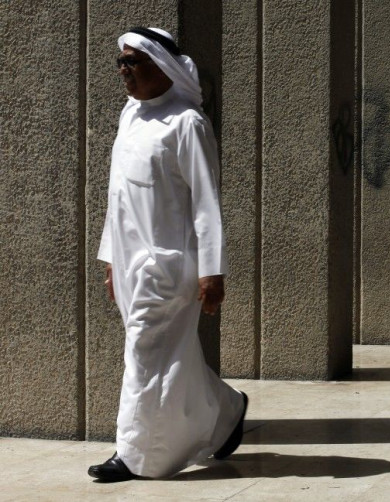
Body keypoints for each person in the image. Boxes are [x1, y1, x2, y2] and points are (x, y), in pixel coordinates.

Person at [89, 27, 247, 482]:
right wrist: (111, 259)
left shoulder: (187, 122)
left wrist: (213, 271)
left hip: (170, 264)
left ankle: (135, 455)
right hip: (130, 262)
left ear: (163, 67)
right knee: (164, 354)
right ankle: (225, 411)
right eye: (120, 62)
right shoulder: (130, 116)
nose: (123, 70)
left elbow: (205, 200)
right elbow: (118, 196)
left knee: (145, 355)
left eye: (132, 62)